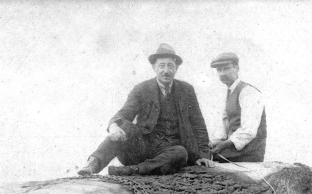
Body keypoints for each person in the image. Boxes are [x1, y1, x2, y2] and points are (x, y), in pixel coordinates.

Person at [77, 43, 215, 176]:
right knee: (125, 126)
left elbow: (198, 124)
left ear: (176, 68)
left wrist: (203, 155)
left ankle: (134, 171)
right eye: (161, 66)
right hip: (142, 147)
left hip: (169, 151)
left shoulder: (186, 90)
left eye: (170, 66)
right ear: (154, 67)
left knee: (180, 153)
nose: (166, 71)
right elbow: (125, 113)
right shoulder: (141, 89)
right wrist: (113, 126)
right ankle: (93, 163)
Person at [208, 52, 267, 163]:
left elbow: (248, 130)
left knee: (207, 158)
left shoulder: (248, 92)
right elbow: (224, 125)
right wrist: (214, 142)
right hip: (234, 148)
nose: (222, 74)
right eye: (219, 70)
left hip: (249, 152)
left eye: (226, 68)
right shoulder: (229, 92)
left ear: (237, 68)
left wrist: (224, 144)